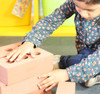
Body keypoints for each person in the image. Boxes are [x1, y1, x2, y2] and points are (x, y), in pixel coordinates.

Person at [6, 0, 100, 92]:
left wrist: (67, 74)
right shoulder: (74, 2)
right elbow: (51, 21)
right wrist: (29, 42)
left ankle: (64, 62)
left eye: (90, 10)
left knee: (83, 64)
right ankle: (70, 64)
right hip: (86, 52)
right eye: (78, 7)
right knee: (81, 62)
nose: (83, 14)